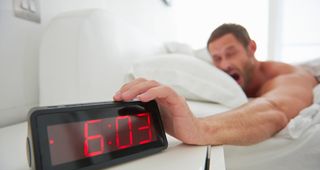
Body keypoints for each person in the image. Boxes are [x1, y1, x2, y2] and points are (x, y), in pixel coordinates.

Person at [113, 23, 318, 145]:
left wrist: (201, 128)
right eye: (217, 58)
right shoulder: (233, 78)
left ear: (251, 48)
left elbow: (275, 110)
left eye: (231, 53)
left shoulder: (288, 77)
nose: (225, 64)